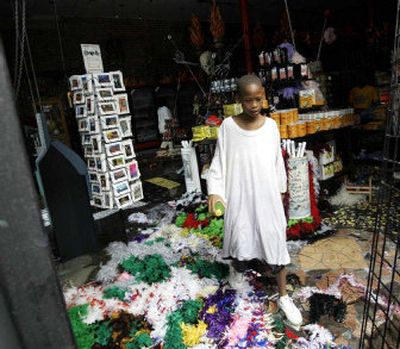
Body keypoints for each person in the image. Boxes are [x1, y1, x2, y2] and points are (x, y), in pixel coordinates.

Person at [207, 74, 302, 327]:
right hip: (239, 196)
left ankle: (283, 297)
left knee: (275, 243)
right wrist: (215, 191)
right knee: (241, 238)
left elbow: (276, 161)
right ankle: (237, 270)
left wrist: (281, 191)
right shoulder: (227, 127)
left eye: (258, 98)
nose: (254, 105)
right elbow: (219, 162)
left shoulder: (271, 126)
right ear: (238, 99)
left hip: (267, 196)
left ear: (264, 96)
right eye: (248, 100)